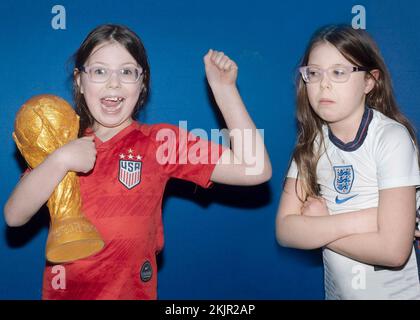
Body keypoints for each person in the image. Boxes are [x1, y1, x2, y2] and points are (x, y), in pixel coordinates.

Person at [4, 24, 272, 299]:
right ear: (79, 81)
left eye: (127, 72)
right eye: (99, 71)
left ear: (142, 82)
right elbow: (14, 216)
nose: (113, 83)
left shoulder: (161, 142)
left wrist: (225, 90)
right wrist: (59, 160)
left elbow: (255, 169)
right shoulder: (61, 142)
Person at [275, 24, 420, 299]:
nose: (324, 84)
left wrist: (321, 225)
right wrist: (366, 220)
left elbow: (393, 250)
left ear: (369, 81)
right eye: (314, 73)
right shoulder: (312, 144)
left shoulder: (390, 138)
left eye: (339, 72)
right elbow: (285, 230)